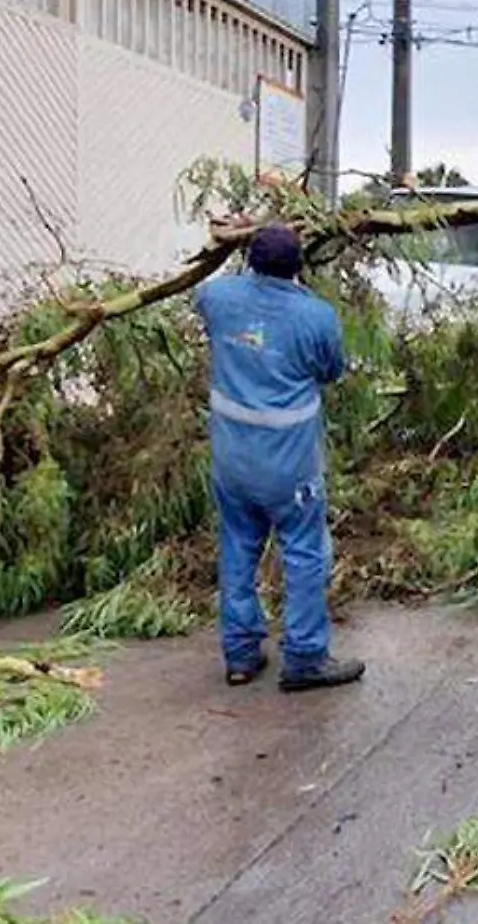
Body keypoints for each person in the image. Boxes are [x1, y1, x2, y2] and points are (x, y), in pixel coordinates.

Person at [194, 223, 365, 692]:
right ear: (299, 266)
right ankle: (306, 657)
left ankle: (241, 655)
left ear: (249, 260)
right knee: (306, 553)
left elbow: (205, 303)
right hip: (289, 466)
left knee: (237, 548)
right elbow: (330, 370)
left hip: (231, 459)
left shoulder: (218, 296)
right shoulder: (315, 316)